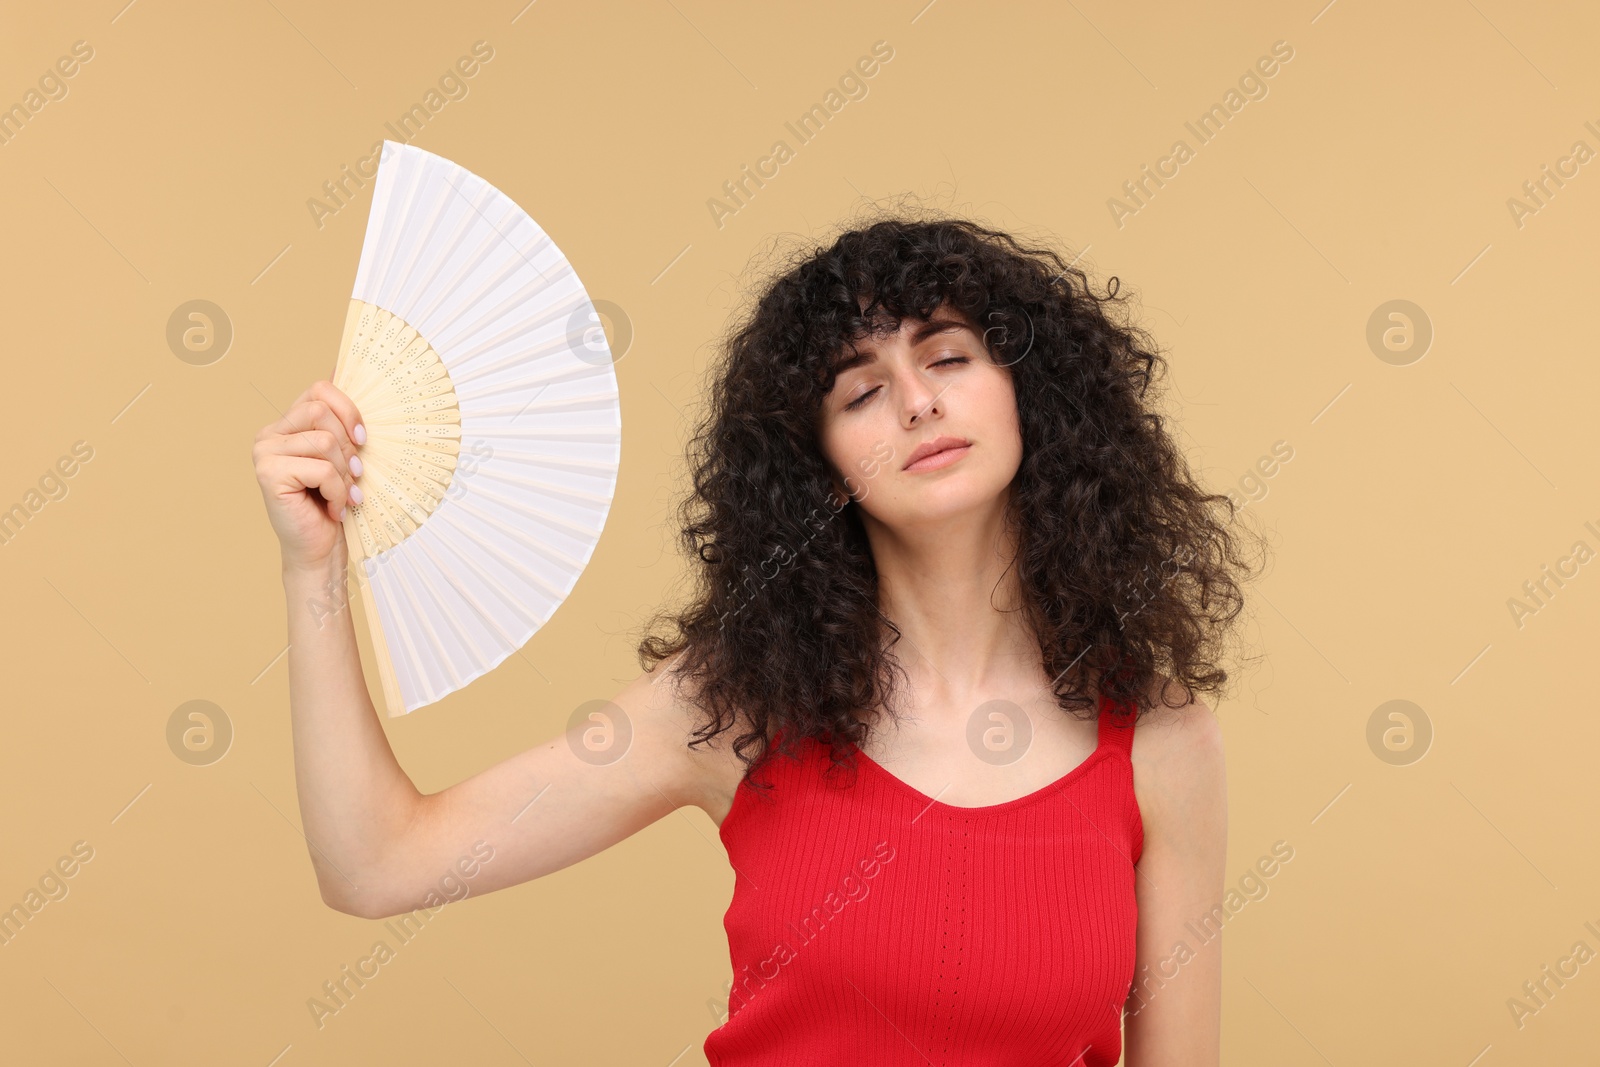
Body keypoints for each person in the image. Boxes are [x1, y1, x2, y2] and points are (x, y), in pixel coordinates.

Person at [252, 215, 1258, 1065]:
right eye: (860, 390)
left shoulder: (1164, 746)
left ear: (1028, 393)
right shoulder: (734, 708)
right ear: (818, 468)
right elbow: (375, 864)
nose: (917, 401)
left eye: (948, 356)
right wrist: (313, 570)